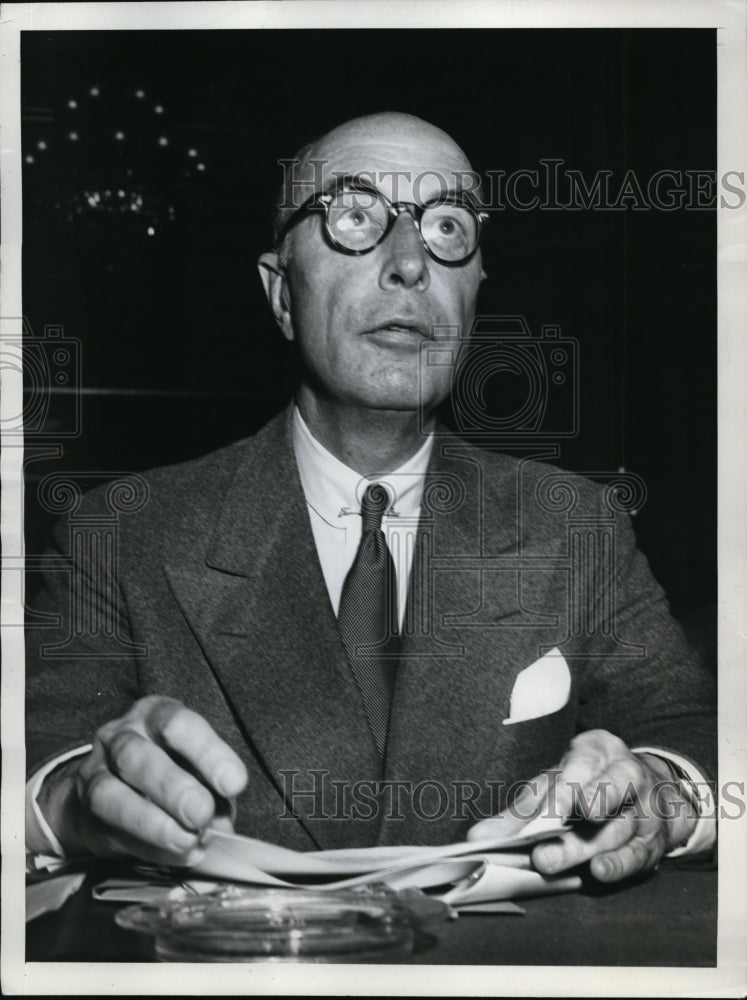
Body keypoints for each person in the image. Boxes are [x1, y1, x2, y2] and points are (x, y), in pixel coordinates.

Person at [26, 112, 715, 884]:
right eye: (354, 217)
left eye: (446, 226)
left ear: (474, 288)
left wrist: (659, 792)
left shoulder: (574, 525)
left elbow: (691, 733)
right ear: (281, 292)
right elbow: (41, 764)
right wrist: (74, 803)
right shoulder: (120, 537)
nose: (409, 264)